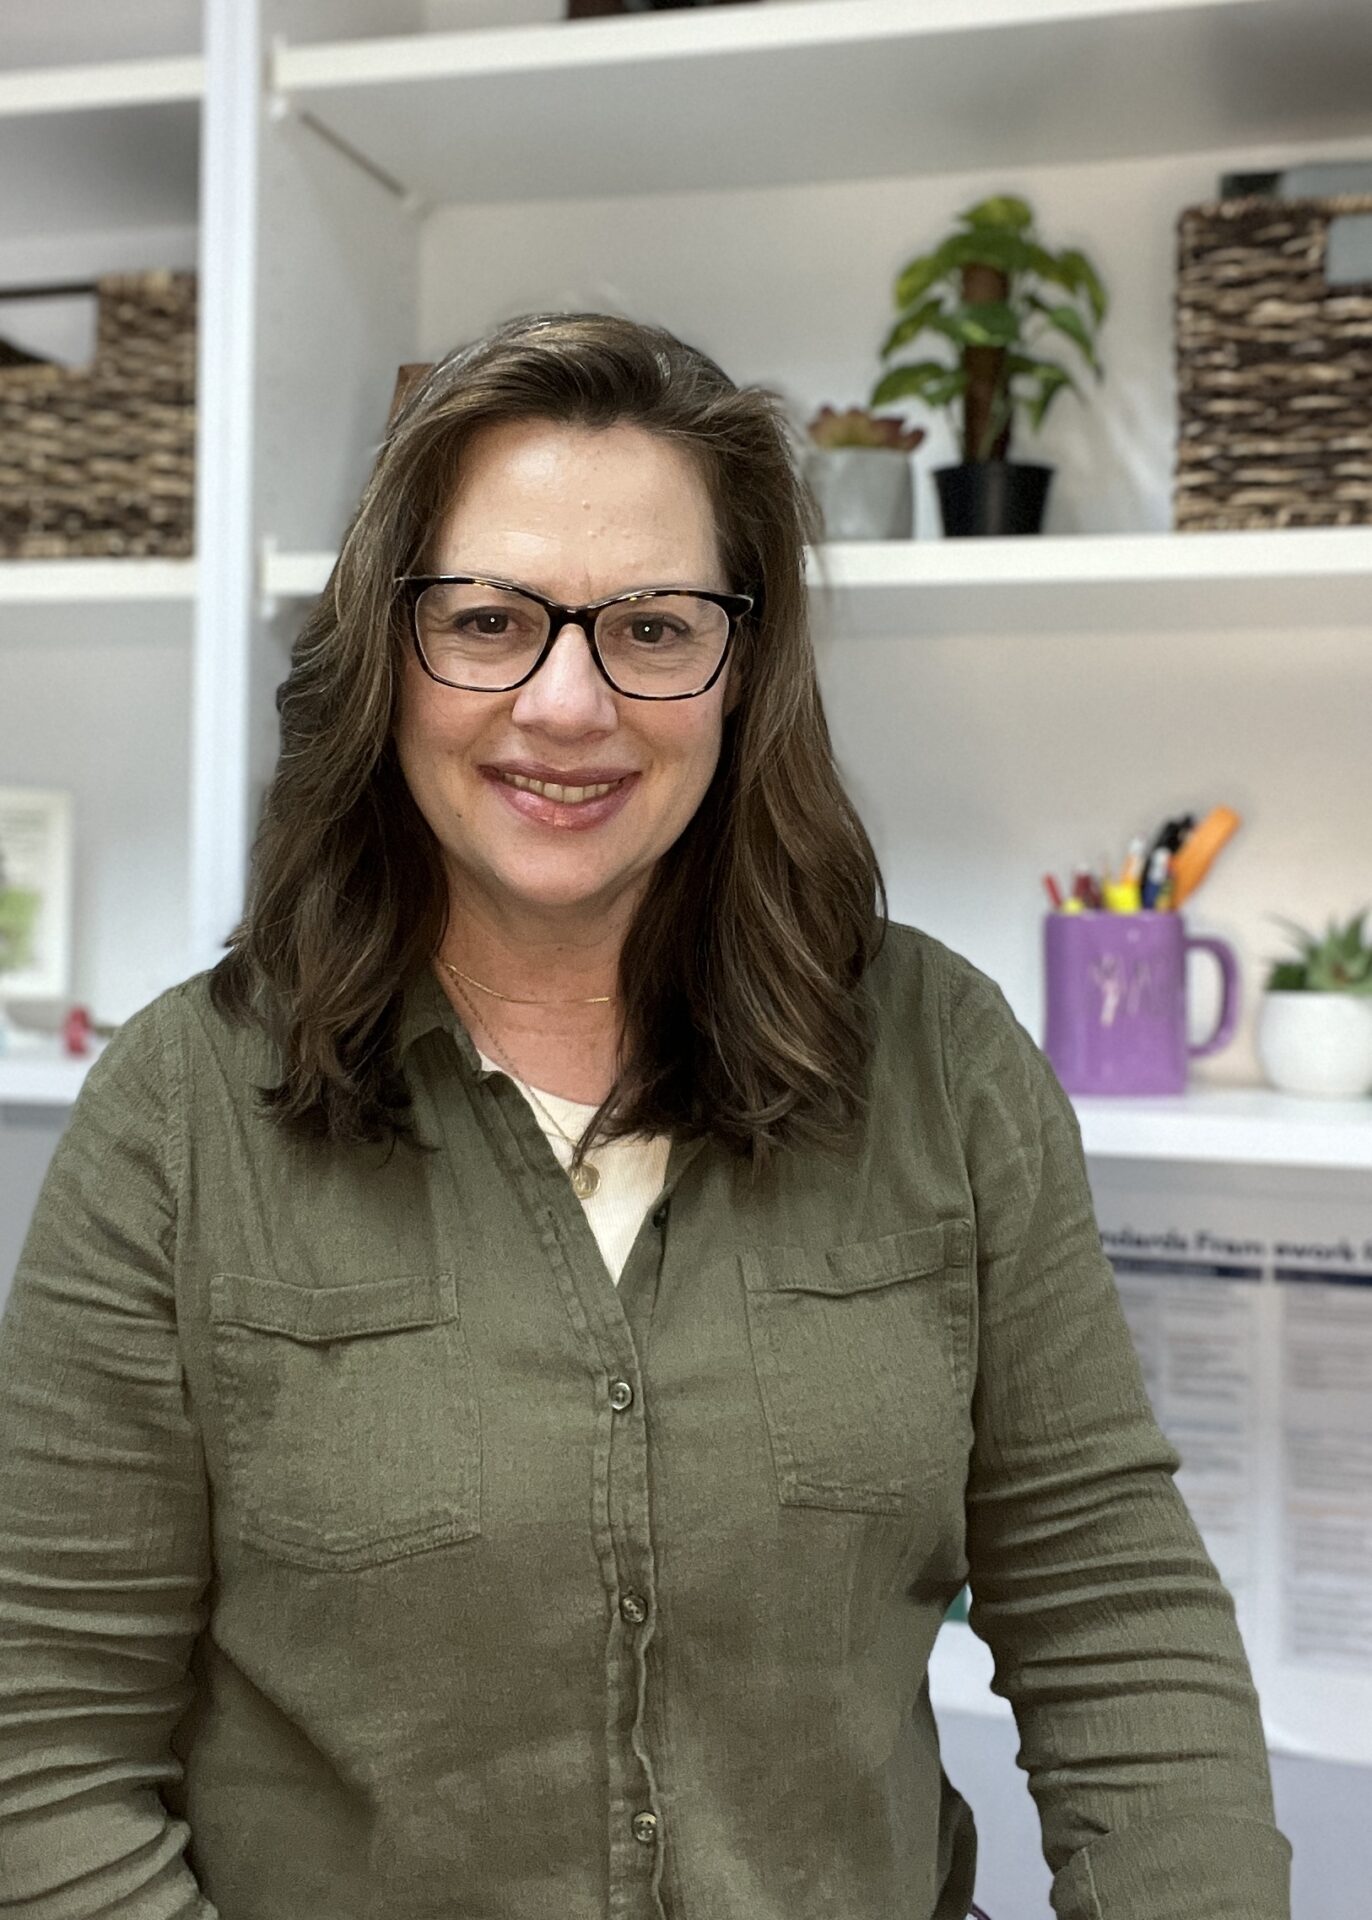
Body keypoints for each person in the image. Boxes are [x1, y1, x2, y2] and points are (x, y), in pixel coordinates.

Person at [0, 311, 1290, 1920]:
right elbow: (41, 1750)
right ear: (386, 652)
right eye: (486, 619)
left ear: (741, 667)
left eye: (655, 629)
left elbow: (1112, 1612)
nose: (567, 704)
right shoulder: (179, 1115)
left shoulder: (941, 1058)